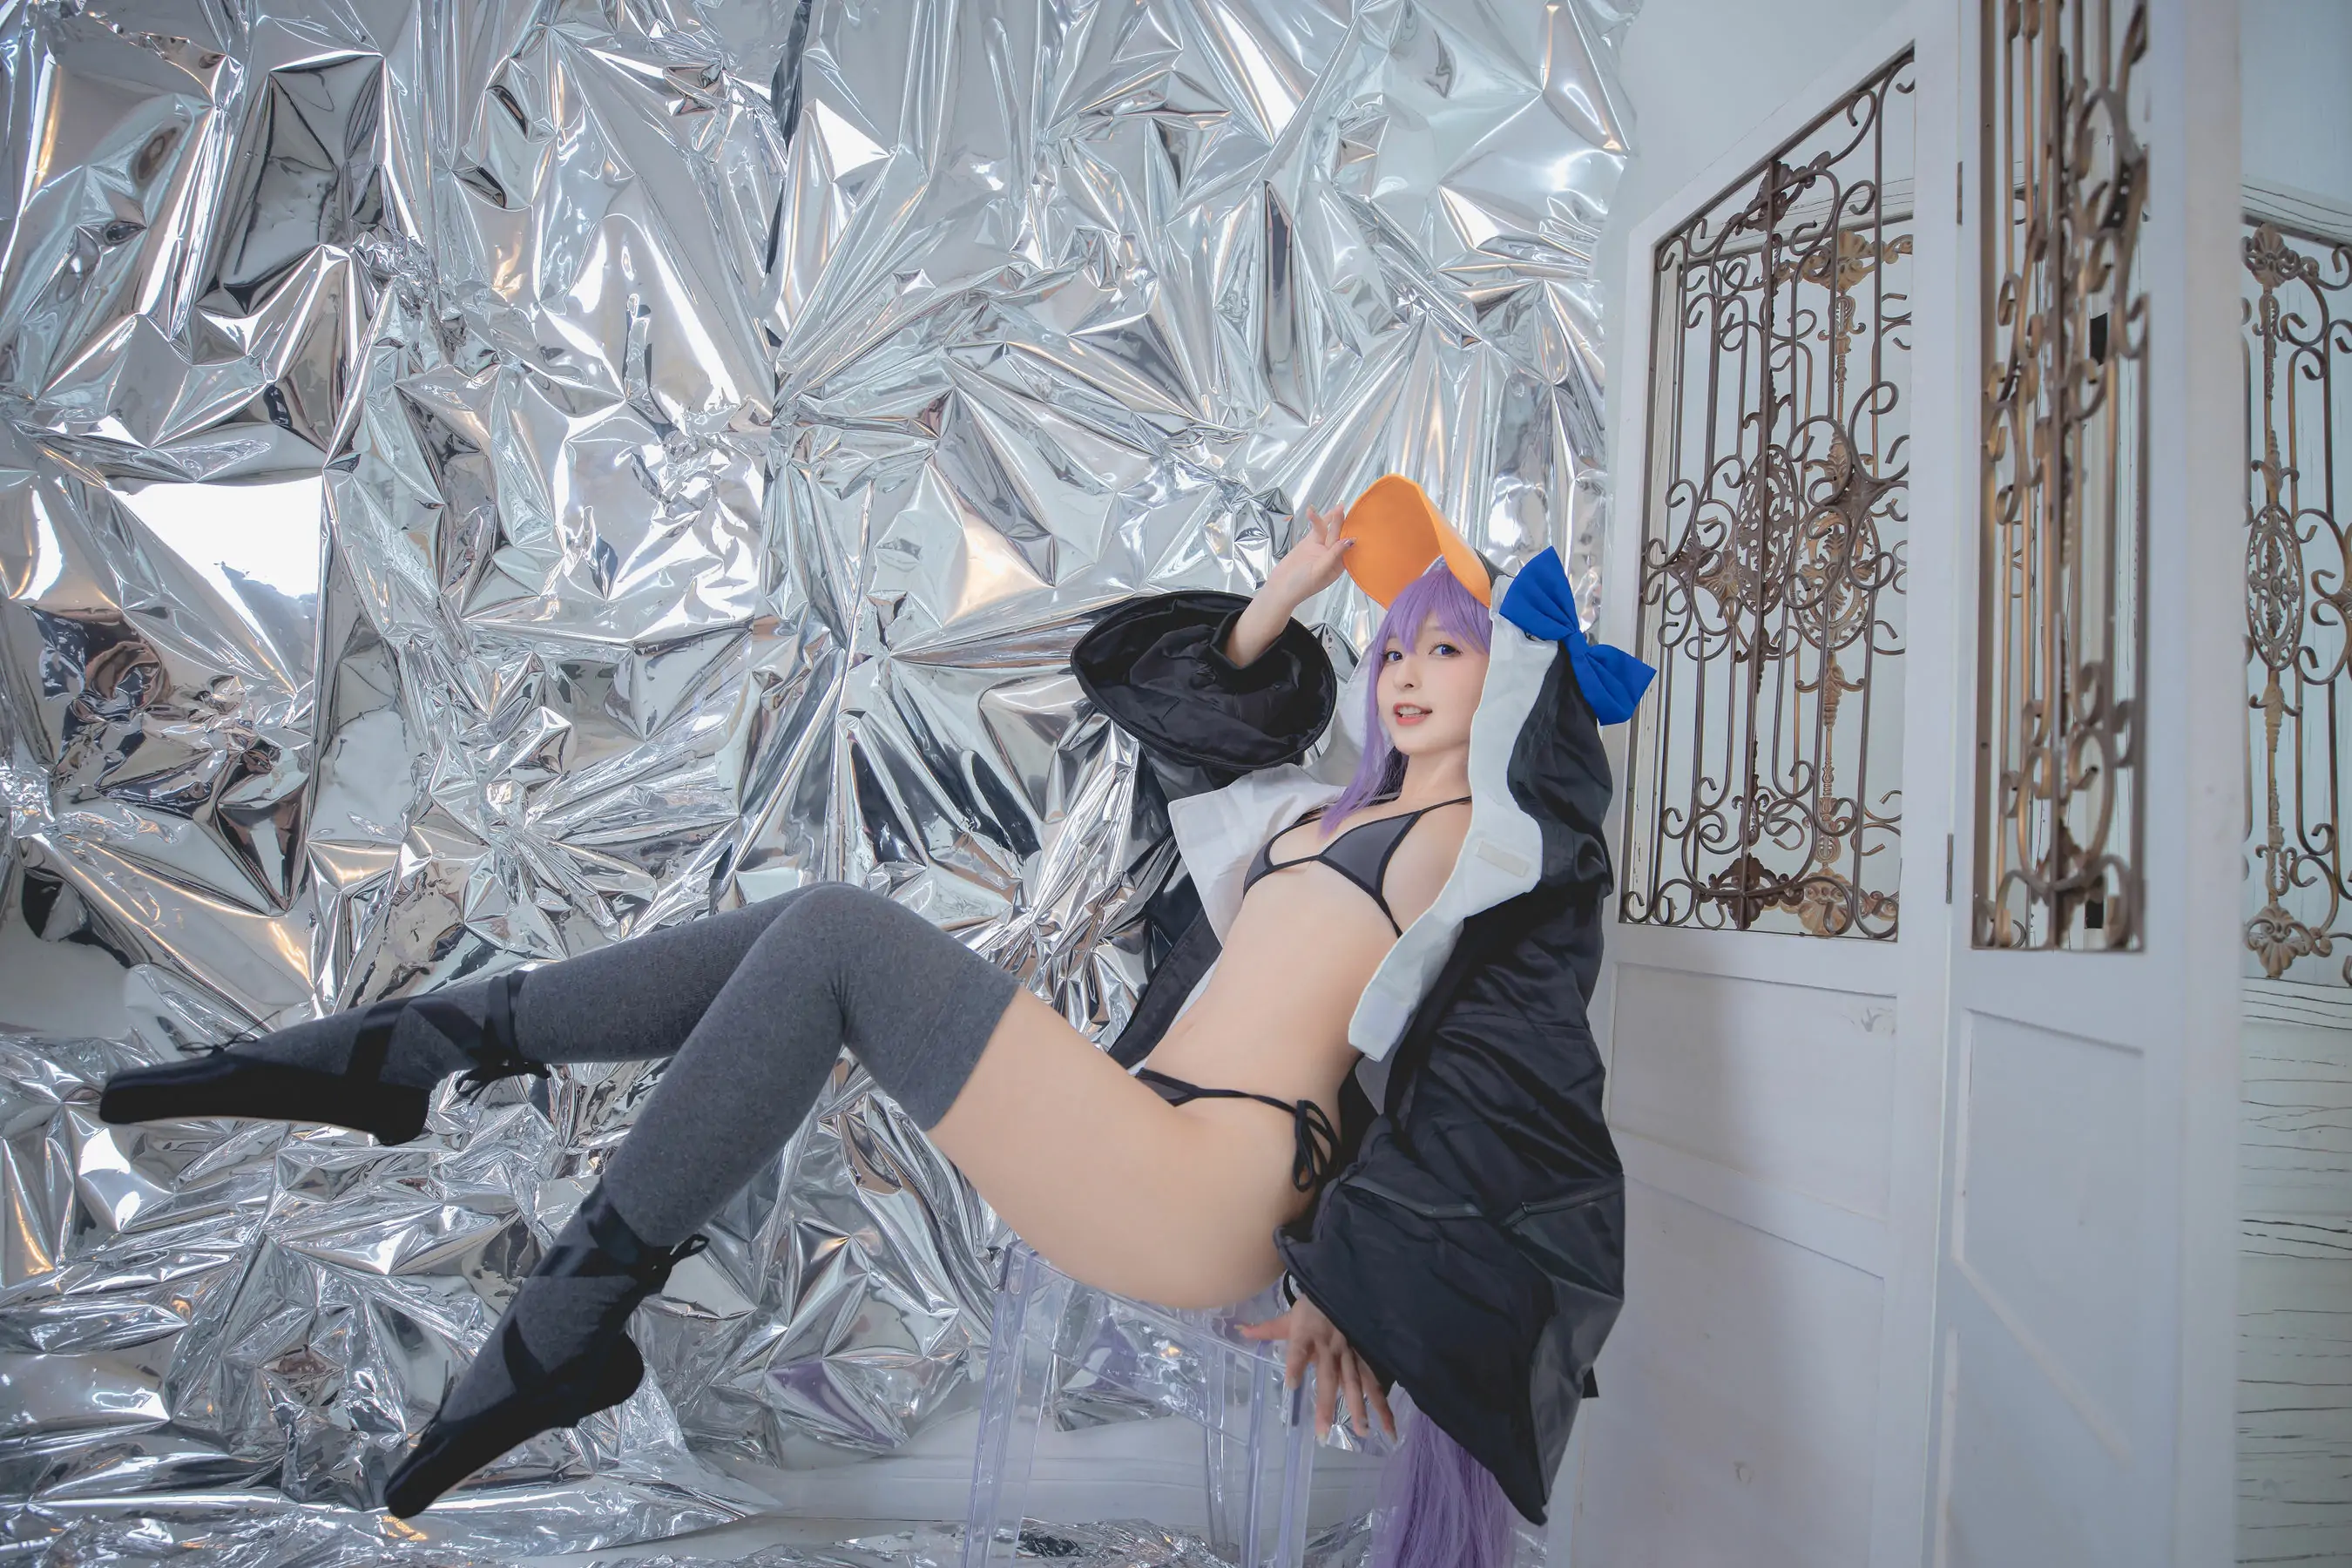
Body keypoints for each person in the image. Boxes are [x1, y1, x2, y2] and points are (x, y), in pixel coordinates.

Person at [95, 476, 1651, 1538]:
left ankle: (511, 1238)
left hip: (1208, 1191)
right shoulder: (1320, 818)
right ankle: (414, 1066)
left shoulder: (1481, 848)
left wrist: (1356, 1282)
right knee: (803, 938)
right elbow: (1194, 712)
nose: (1406, 674)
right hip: (1145, 1137)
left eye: (1450, 652)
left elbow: (1482, 1077)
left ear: (1511, 684)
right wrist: (1298, 587)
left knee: (840, 936)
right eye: (1396, 648)